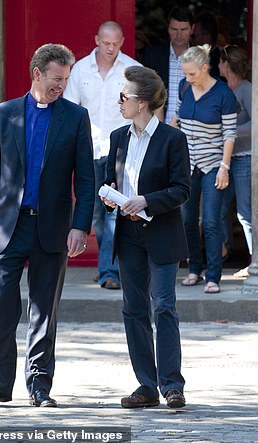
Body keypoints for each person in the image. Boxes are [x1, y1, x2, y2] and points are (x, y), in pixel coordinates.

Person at [0, 44, 95, 406]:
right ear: (37, 74)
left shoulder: (75, 117)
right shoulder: (3, 114)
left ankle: (40, 386)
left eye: (66, 80)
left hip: (53, 229)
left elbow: (86, 179)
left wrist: (80, 226)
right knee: (3, 308)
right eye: (57, 79)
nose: (62, 86)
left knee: (44, 311)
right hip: (7, 228)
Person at [101, 66, 191, 409]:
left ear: (142, 102)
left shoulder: (173, 139)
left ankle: (172, 385)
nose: (119, 101)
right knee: (133, 309)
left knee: (164, 306)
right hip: (128, 235)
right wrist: (111, 196)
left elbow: (182, 189)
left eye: (124, 96)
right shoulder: (117, 137)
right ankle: (146, 385)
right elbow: (112, 180)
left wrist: (147, 202)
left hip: (162, 232)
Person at [64, 21, 141, 290]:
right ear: (97, 39)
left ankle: (109, 271)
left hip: (121, 152)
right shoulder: (80, 70)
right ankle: (107, 267)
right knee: (96, 210)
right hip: (90, 150)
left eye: (116, 44)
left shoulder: (132, 70)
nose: (111, 48)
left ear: (121, 42)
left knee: (113, 212)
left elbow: (144, 110)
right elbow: (71, 109)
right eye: (106, 43)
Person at [176, 45, 237, 293]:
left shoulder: (223, 94)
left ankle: (213, 276)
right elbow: (178, 121)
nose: (188, 79)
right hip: (187, 164)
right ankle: (194, 269)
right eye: (185, 74)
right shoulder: (184, 87)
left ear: (204, 68)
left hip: (213, 163)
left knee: (211, 221)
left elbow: (230, 134)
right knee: (187, 219)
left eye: (192, 74)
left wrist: (225, 167)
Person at [219, 45, 252, 278]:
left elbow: (255, 124)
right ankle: (223, 251)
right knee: (219, 209)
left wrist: (230, 131)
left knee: (244, 213)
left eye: (219, 61)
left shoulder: (247, 89)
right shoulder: (222, 89)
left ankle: (255, 261)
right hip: (225, 160)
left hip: (243, 158)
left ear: (226, 63)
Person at [142, 7, 193, 124]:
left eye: (183, 29)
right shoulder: (153, 56)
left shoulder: (201, 58)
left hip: (192, 129)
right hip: (158, 126)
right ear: (168, 28)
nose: (179, 35)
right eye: (174, 29)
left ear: (192, 29)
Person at [191, 12, 221, 79]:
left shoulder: (220, 60)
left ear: (212, 34)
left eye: (203, 34)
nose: (199, 39)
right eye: (196, 35)